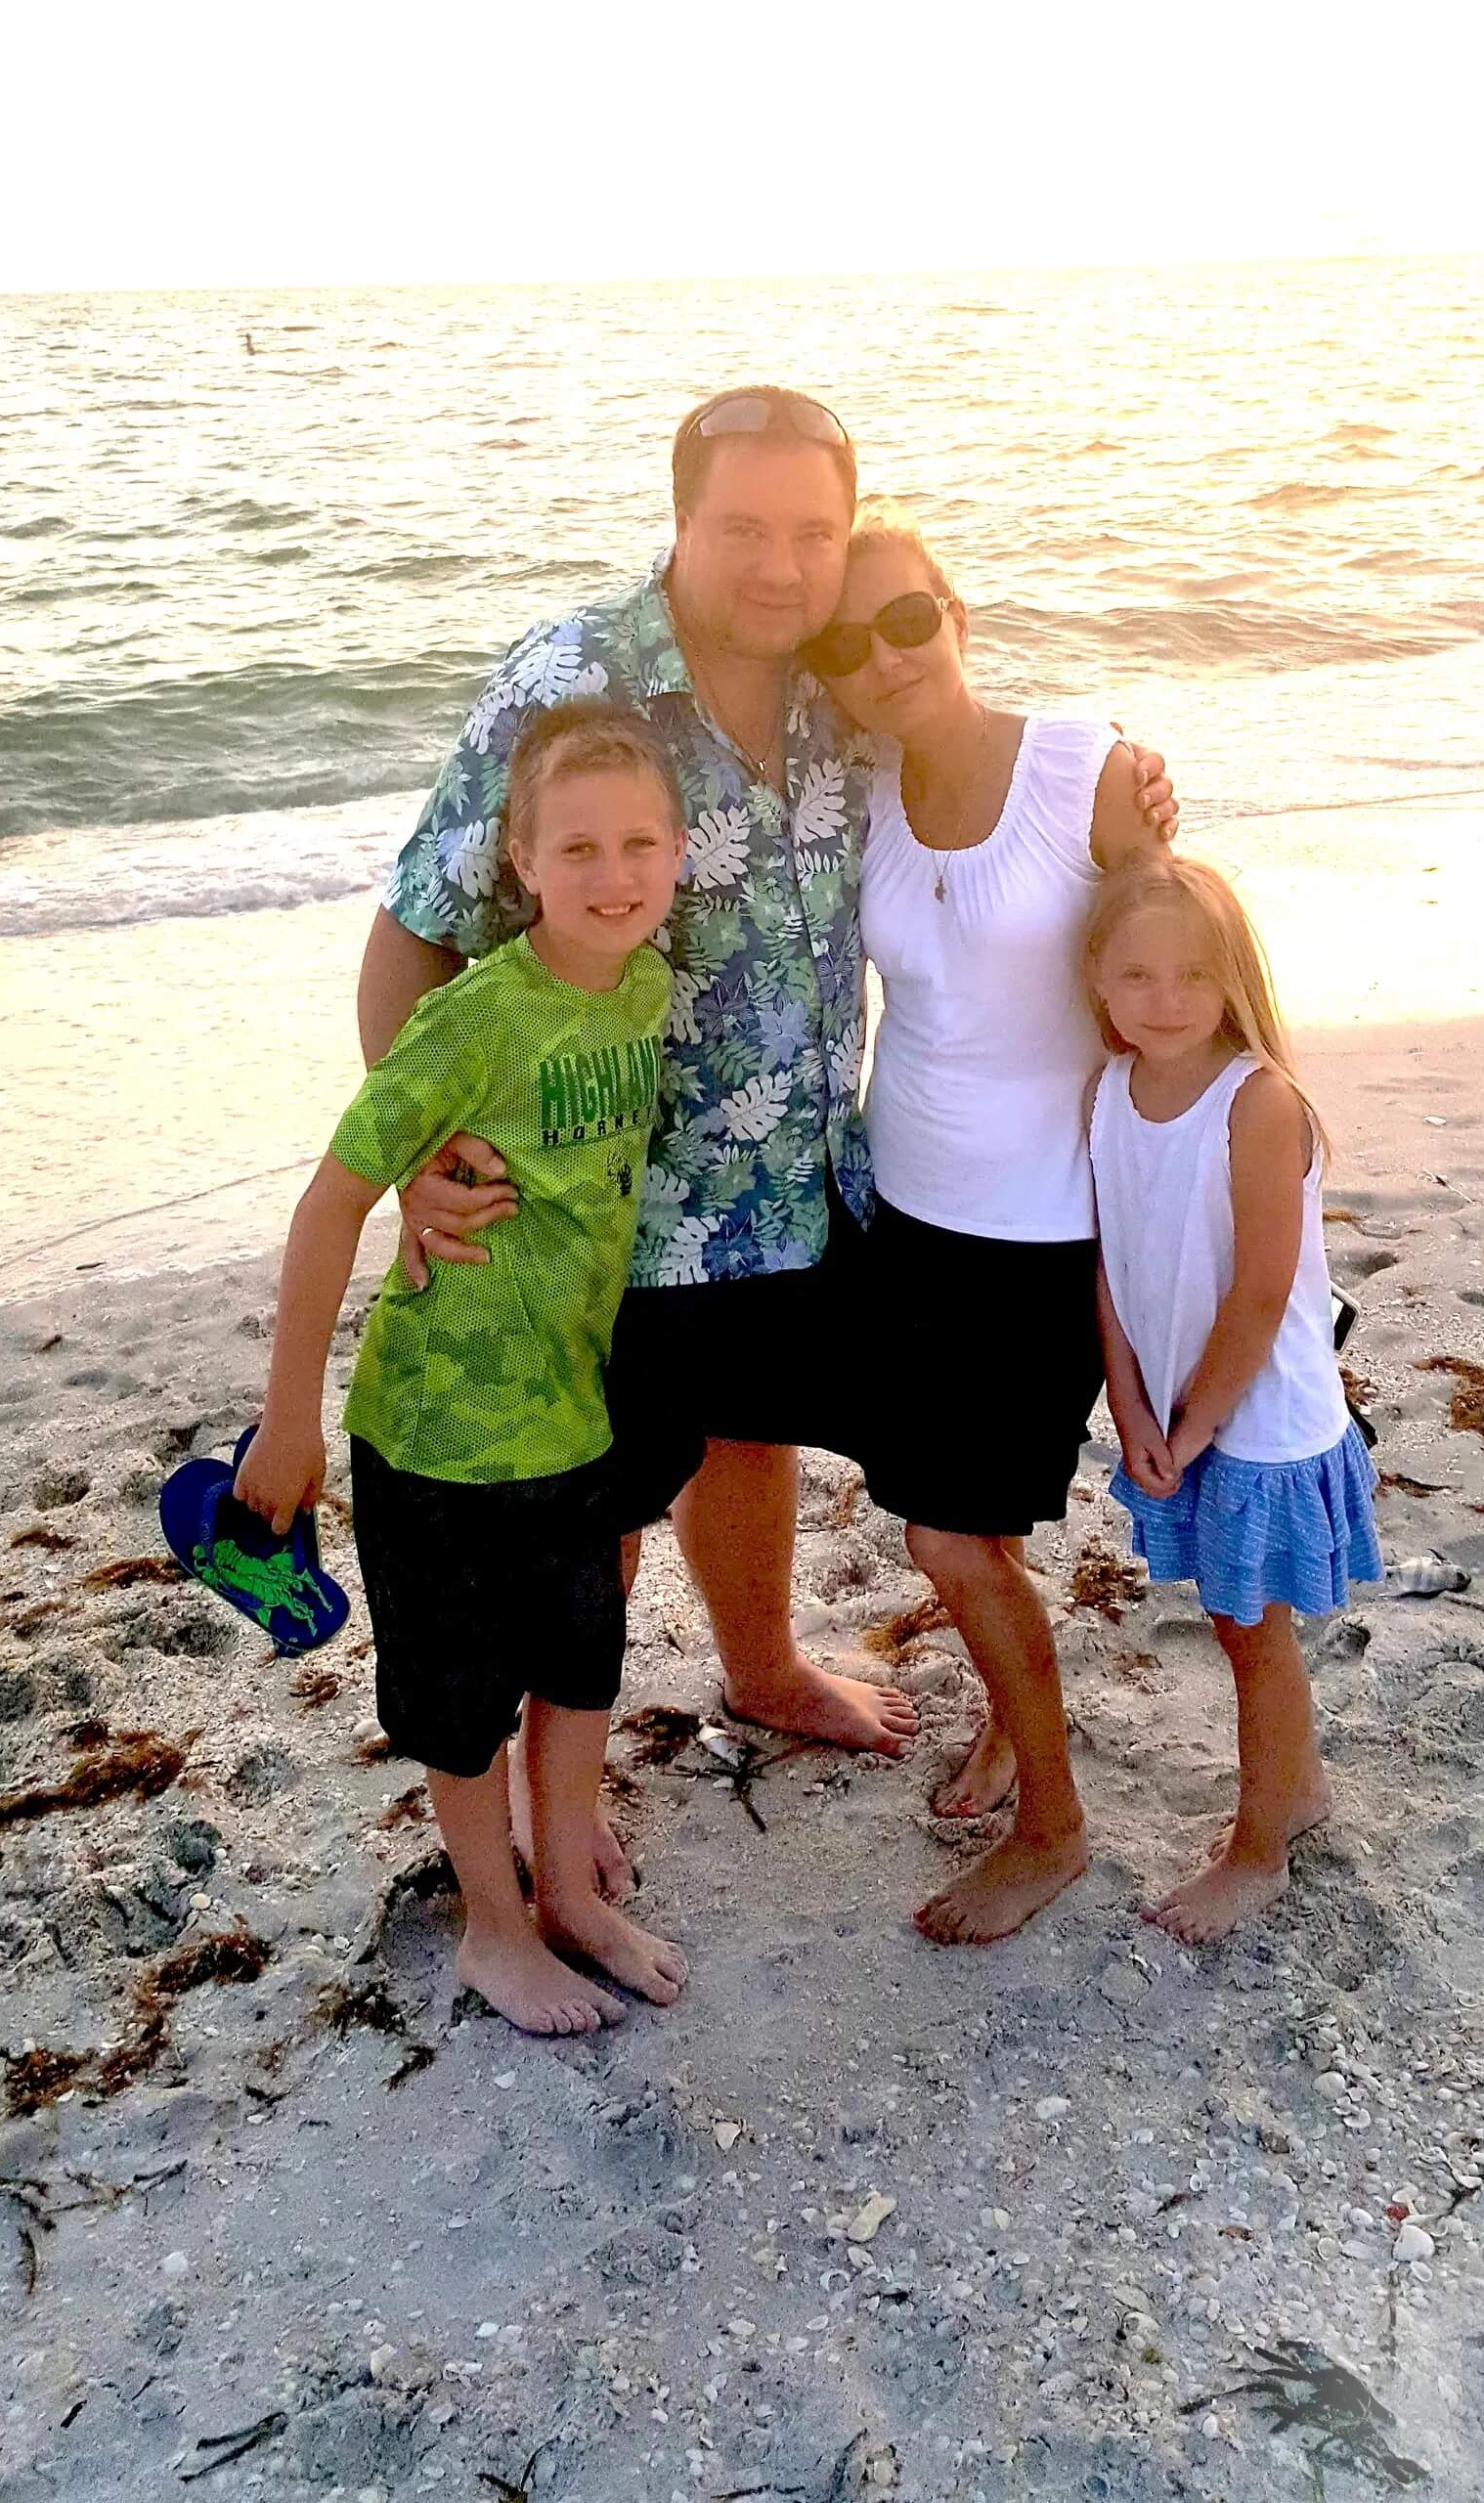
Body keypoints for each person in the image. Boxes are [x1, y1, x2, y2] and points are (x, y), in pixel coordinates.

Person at [359, 388, 1182, 1793]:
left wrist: (1120, 782)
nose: (780, 566)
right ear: (681, 521)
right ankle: (564, 1787)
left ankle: (761, 1667)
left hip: (806, 1181)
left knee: (750, 1427)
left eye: (811, 533)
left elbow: (974, 758)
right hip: (603, 1199)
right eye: (741, 528)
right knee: (591, 1497)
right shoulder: (567, 682)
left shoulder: (836, 678)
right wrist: (418, 1158)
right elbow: (415, 930)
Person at [235, 702, 688, 2035]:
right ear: (521, 861)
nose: (613, 875)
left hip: (572, 1418)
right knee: (458, 1705)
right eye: (578, 848)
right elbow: (330, 1202)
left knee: (581, 1669)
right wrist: (287, 1423)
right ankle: (494, 1927)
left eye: (639, 844)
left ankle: (568, 1894)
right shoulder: (475, 1018)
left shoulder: (647, 989)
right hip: (436, 1437)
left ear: (677, 854)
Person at [804, 503, 1171, 1943]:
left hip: (1049, 1226)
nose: (882, 655)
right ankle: (1017, 1727)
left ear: (955, 616)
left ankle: (1055, 1830)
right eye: (845, 642)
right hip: (906, 1214)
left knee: (949, 1541)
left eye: (905, 618)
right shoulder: (860, 794)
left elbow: (1174, 968)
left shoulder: (1086, 768)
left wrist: (1236, 1162)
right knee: (963, 1527)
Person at [1084, 856, 1382, 1944]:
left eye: (1193, 974)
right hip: (1175, 1409)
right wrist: (1129, 1408)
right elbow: (1109, 1267)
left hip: (1257, 1418)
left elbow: (1260, 1291)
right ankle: (1298, 1792)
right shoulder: (1106, 1092)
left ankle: (1258, 1854)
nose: (1165, 999)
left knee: (1253, 1634)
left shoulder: (1256, 1101)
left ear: (1233, 979)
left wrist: (1196, 1423)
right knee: (1231, 1618)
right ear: (1096, 978)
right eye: (1137, 974)